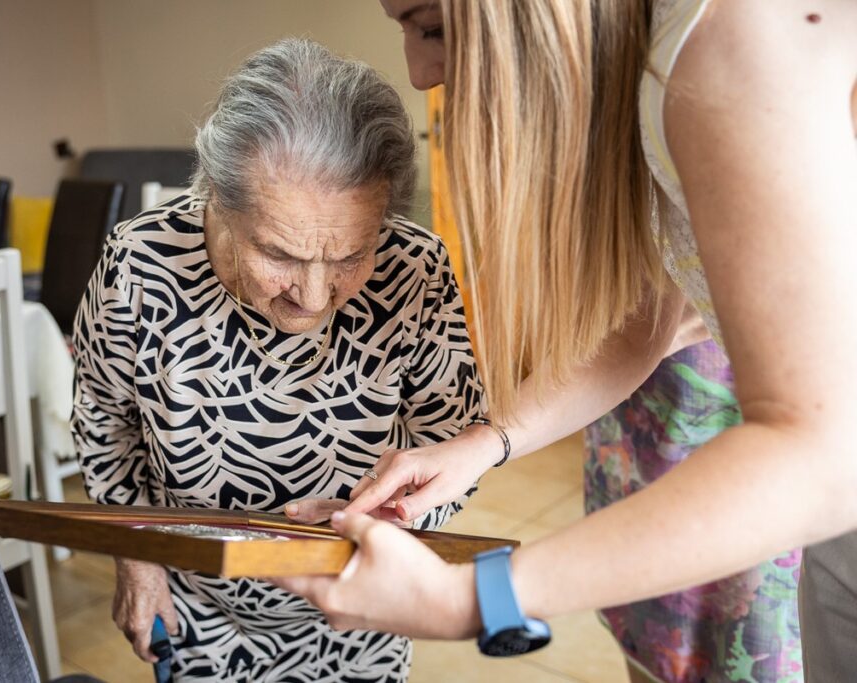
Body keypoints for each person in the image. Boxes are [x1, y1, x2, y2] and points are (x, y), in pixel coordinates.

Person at [277, 2, 856, 681]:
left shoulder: (721, 47)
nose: (420, 73)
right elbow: (657, 316)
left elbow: (826, 455)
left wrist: (473, 597)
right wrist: (483, 442)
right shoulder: (654, 61)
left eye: (431, 25)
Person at [71, 38, 484, 683]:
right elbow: (103, 421)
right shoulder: (140, 263)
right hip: (198, 605)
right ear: (218, 200)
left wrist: (398, 519)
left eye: (350, 256)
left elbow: (453, 437)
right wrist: (136, 555)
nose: (314, 298)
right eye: (281, 255)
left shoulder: (415, 268)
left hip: (358, 600)